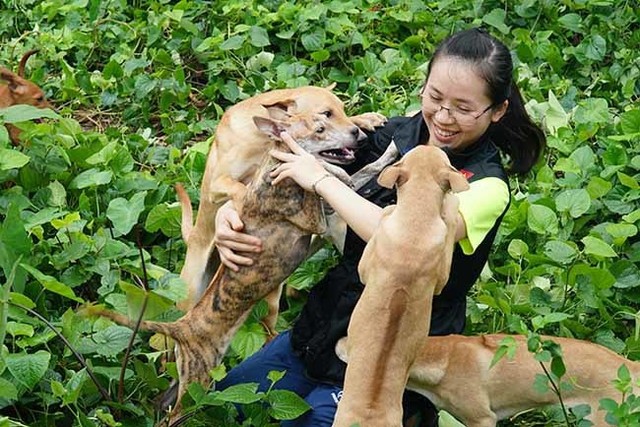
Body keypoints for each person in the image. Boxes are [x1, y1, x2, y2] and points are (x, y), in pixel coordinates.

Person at [213, 27, 546, 426]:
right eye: (435, 97)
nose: (442, 116)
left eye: (462, 108)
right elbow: (291, 167)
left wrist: (321, 180)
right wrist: (231, 211)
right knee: (221, 405)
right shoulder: (394, 135)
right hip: (329, 323)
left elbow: (406, 241)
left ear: (497, 110)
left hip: (397, 348)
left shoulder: (485, 185)